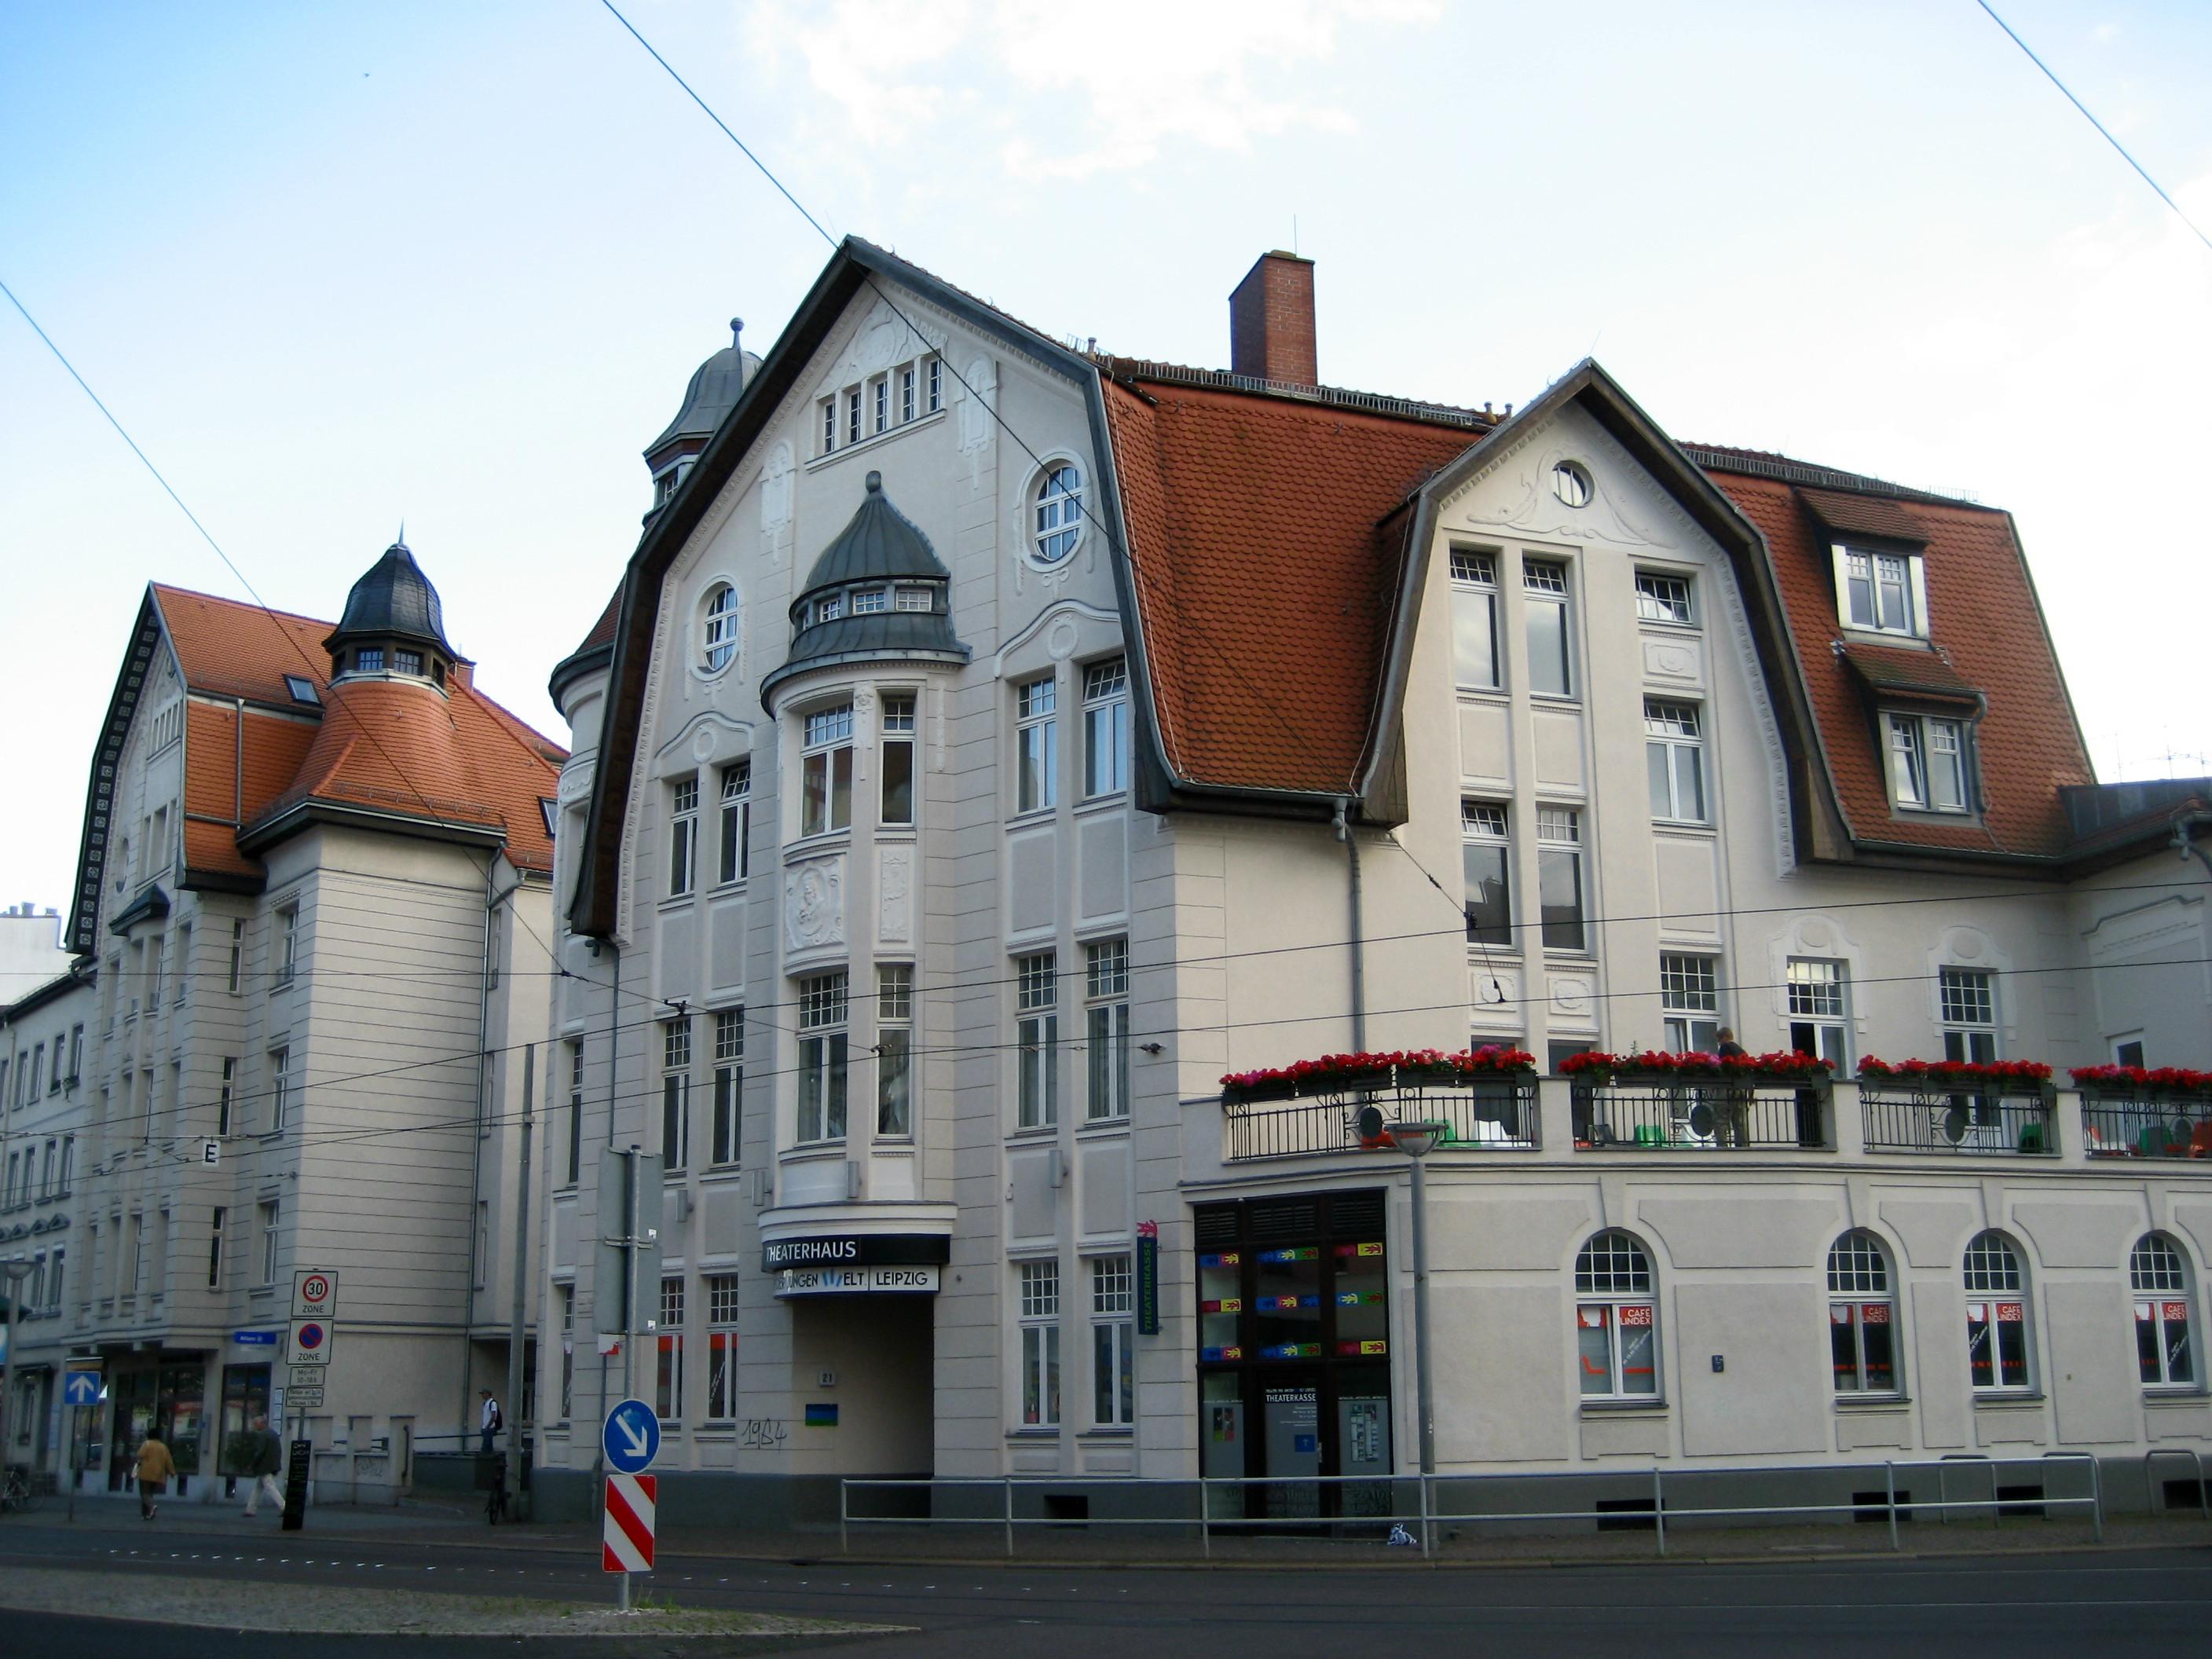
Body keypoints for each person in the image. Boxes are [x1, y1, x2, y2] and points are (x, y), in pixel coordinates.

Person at [1714, 1026, 1752, 1148]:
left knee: (1720, 1120)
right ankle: (1743, 1147)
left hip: (1727, 1089)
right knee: (1740, 1122)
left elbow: (1722, 1068)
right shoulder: (1741, 1050)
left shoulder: (1725, 1047)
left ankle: (1722, 1146)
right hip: (1740, 1090)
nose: (1719, 1043)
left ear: (1724, 1037)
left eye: (1719, 1040)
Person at [241, 1414, 285, 1518]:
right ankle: (250, 1509)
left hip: (264, 1466)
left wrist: (252, 1464)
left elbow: (260, 1452)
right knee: (258, 1488)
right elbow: (278, 1451)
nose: (255, 1426)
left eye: (256, 1424)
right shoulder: (273, 1434)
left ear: (262, 1424)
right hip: (271, 1465)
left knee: (269, 1486)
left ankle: (284, 1506)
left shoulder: (262, 1435)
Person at [135, 1430, 175, 1522]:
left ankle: (151, 1507)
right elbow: (169, 1461)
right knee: (149, 1494)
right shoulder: (163, 1447)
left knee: (144, 1493)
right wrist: (172, 1472)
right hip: (158, 1474)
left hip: (145, 1472)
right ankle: (148, 1514)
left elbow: (139, 1455)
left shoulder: (147, 1444)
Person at [478, 1390, 502, 1456]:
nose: (482, 1396)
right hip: (486, 1427)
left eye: (483, 1394)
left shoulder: (492, 1403)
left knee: (485, 1447)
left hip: (489, 1428)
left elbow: (493, 1416)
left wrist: (488, 1426)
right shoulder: (485, 1403)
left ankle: (487, 1459)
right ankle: (491, 1458)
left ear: (488, 1394)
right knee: (488, 1446)